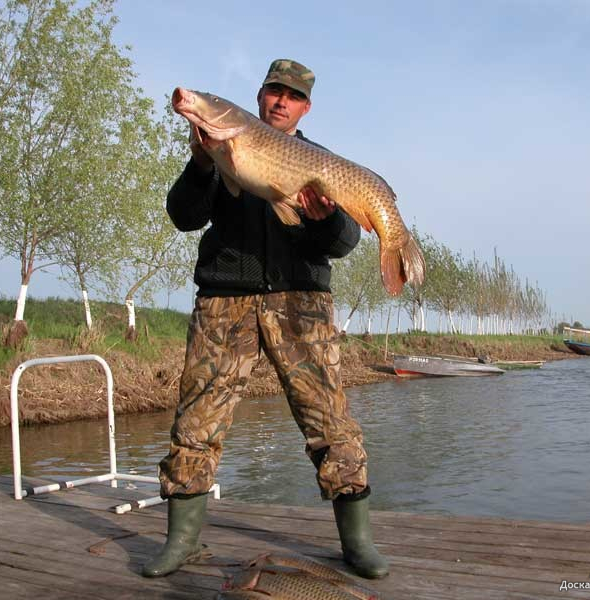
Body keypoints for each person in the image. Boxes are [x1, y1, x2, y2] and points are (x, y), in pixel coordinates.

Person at [142, 59, 389, 580]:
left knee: (330, 422)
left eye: (292, 96)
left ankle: (357, 543)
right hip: (223, 303)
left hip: (301, 304)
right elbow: (183, 216)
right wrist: (202, 163)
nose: (281, 101)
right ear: (257, 97)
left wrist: (327, 219)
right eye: (274, 91)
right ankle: (181, 541)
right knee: (196, 423)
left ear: (305, 107)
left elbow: (343, 244)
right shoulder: (218, 149)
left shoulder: (319, 160)